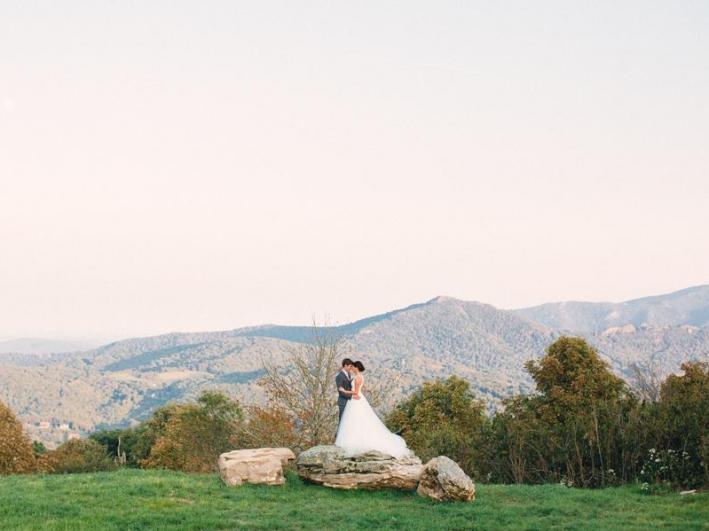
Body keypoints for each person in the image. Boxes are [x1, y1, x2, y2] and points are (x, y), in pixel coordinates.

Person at [335, 360, 410, 458]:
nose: (352, 369)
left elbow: (356, 392)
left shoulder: (357, 377)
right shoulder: (358, 376)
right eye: (351, 367)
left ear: (356, 368)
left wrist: (344, 391)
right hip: (355, 399)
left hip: (355, 399)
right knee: (357, 420)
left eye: (353, 367)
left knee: (355, 419)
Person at [335, 358, 357, 432]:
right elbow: (341, 391)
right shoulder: (339, 376)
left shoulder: (348, 374)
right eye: (350, 366)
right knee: (342, 420)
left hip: (349, 401)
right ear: (345, 365)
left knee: (348, 421)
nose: (351, 368)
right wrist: (351, 395)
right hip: (343, 402)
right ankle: (339, 437)